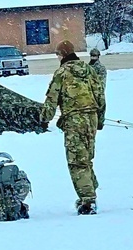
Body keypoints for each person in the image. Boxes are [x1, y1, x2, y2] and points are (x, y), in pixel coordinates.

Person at [41, 40, 106, 215]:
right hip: (91, 117)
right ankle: (89, 188)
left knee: (77, 161)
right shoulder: (89, 70)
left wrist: (44, 119)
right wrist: (100, 119)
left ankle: (88, 201)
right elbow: (100, 94)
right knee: (86, 157)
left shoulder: (61, 72)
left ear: (61, 55)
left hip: (74, 120)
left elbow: (51, 98)